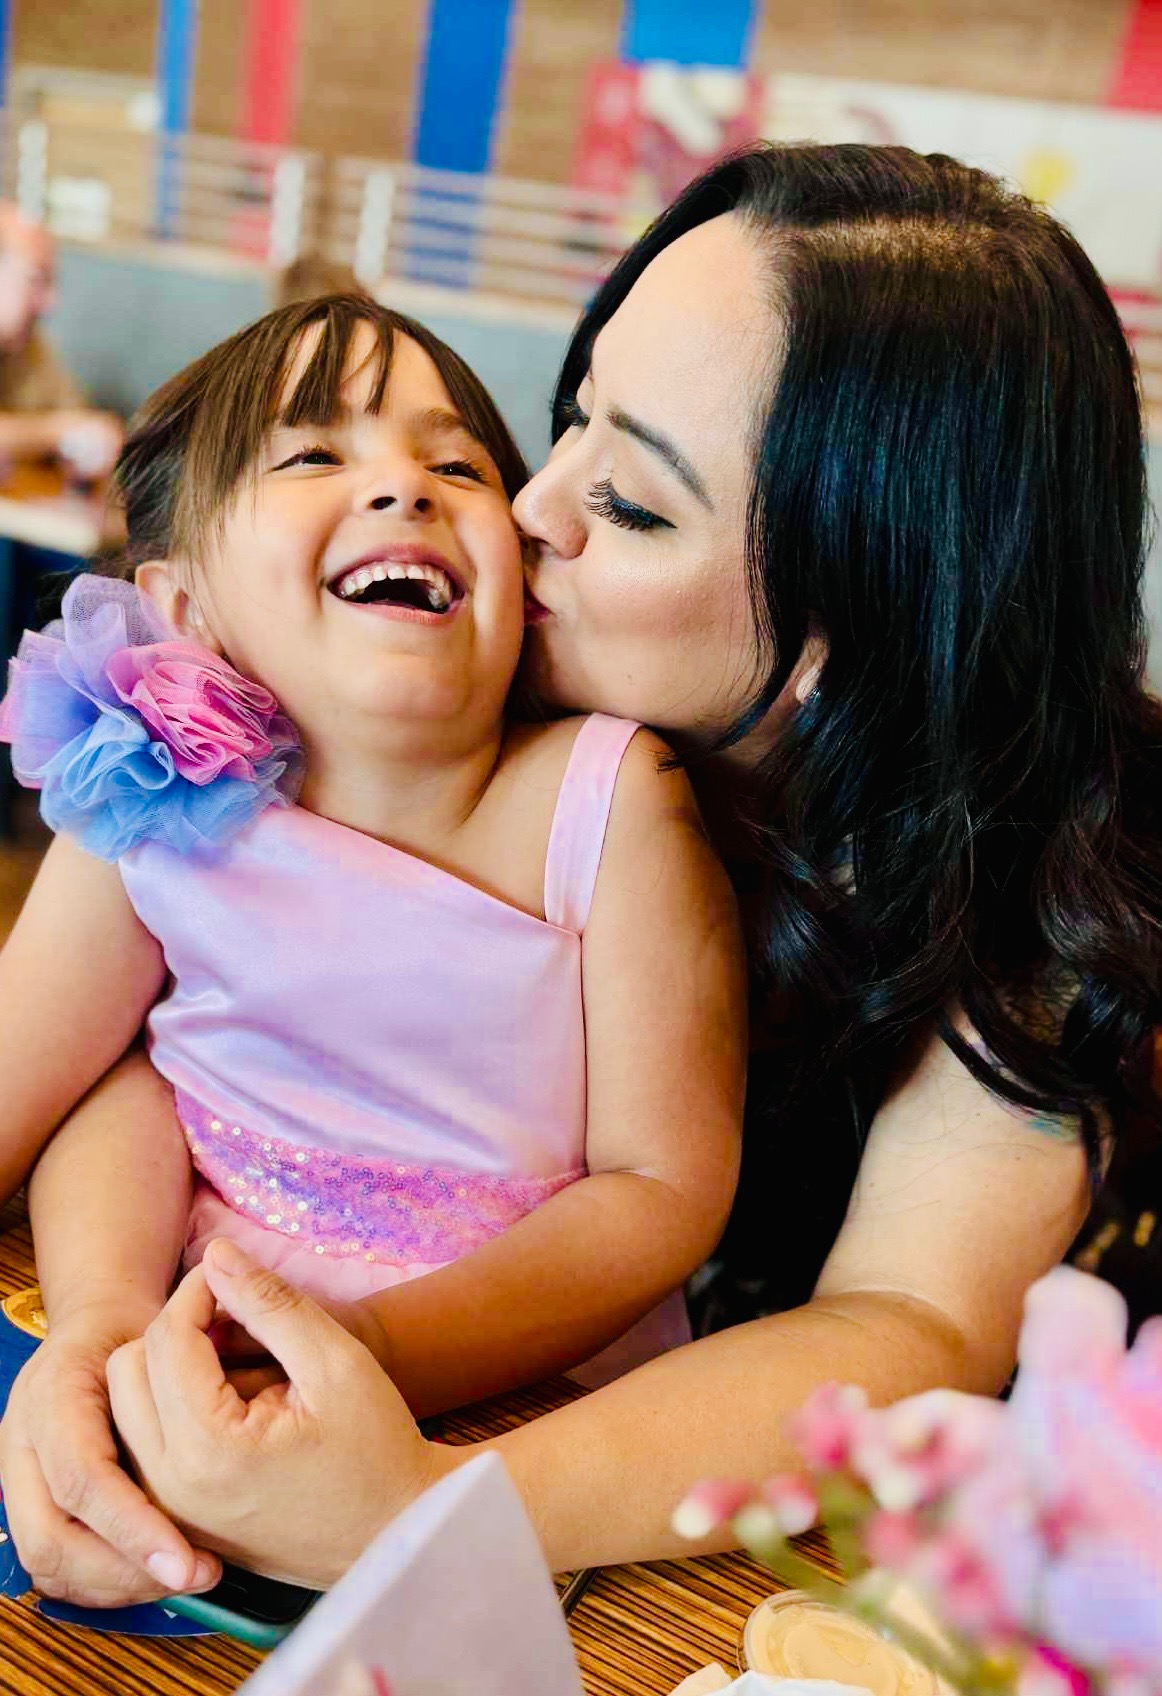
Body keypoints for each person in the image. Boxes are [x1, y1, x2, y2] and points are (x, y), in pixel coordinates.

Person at [6, 141, 1162, 1604]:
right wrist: (99, 1333)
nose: (522, 504)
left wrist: (429, 1506)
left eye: (629, 501)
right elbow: (144, 1040)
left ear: (849, 624)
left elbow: (906, 1325)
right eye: (569, 419)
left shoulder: (1036, 887)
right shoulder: (421, 698)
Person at [0, 294, 743, 1602]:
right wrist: (103, 1326)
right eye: (312, 455)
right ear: (184, 607)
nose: (406, 486)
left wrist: (375, 1347)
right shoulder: (158, 797)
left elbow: (662, 1187)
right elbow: (61, 1082)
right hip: (188, 1349)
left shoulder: (606, 799)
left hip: (517, 1391)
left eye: (459, 465)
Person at [0, 203, 122, 478]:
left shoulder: (29, 346)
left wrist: (93, 442)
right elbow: (66, 424)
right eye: (37, 280)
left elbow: (79, 419)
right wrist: (57, 432)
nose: (51, 302)